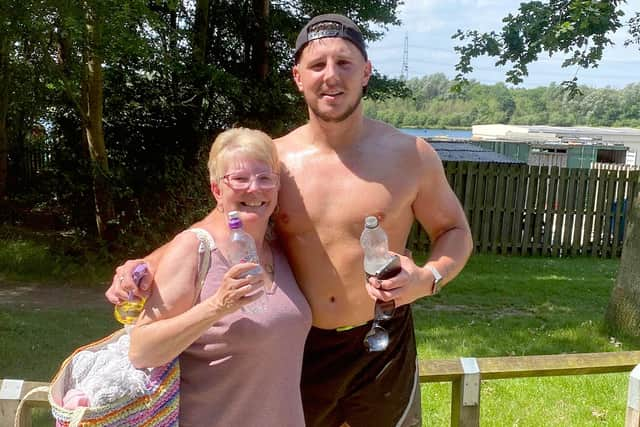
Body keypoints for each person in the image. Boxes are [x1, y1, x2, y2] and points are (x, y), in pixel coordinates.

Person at [108, 13, 473, 427]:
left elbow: (455, 231)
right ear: (298, 77)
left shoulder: (410, 155)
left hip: (382, 342)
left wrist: (429, 278)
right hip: (299, 345)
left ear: (367, 72)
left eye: (344, 63)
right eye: (317, 66)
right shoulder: (277, 163)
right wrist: (142, 266)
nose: (330, 76)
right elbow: (214, 222)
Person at [125, 127, 311, 427]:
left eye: (265, 178)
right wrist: (218, 306)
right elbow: (142, 350)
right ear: (217, 190)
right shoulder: (196, 249)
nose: (254, 188)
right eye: (239, 179)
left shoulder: (281, 252)